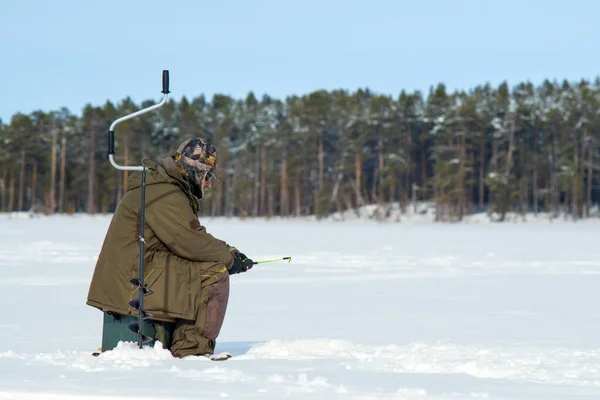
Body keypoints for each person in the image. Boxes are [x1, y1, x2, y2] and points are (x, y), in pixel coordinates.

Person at [86, 136, 254, 358]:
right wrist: (231, 259)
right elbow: (190, 242)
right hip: (135, 282)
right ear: (196, 171)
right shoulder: (166, 193)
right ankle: (191, 350)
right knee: (213, 274)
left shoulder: (163, 187)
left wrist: (227, 251)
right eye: (208, 176)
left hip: (136, 275)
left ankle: (181, 343)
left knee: (203, 266)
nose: (209, 183)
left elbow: (190, 237)